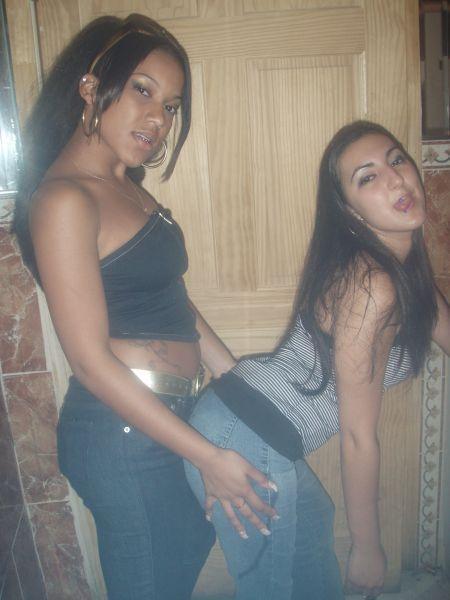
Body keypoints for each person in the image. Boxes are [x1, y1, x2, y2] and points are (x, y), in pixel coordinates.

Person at [12, 14, 278, 600]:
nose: (158, 119)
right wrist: (209, 458)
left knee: (175, 568)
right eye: (142, 90)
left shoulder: (126, 187)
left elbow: (170, 297)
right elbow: (89, 363)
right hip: (123, 432)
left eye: (172, 106)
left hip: (170, 416)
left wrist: (235, 377)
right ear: (90, 87)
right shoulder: (64, 198)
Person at [185, 120, 450, 600]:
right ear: (349, 211)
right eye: (367, 177)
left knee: (312, 545)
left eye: (396, 160)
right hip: (242, 438)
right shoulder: (372, 286)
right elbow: (357, 435)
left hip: (247, 426)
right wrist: (367, 547)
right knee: (269, 590)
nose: (395, 179)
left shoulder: (404, 272)